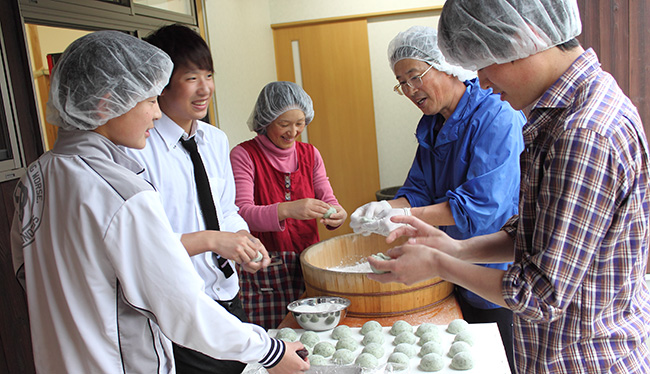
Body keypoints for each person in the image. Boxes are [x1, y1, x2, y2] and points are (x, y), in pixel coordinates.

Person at [369, 1, 650, 373]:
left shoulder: (583, 133)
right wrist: (456, 247)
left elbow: (540, 293)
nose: (481, 80)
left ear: (523, 38)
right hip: (557, 348)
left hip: (584, 358)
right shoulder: (563, 114)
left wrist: (440, 262)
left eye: (484, 65)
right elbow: (537, 232)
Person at [10, 30, 309, 374]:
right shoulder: (122, 191)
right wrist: (269, 351)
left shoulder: (35, 179)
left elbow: (26, 272)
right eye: (150, 100)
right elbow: (179, 303)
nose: (156, 113)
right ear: (109, 103)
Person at [349, 25, 525, 370]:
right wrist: (385, 209)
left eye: (415, 76)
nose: (411, 90)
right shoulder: (433, 125)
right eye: (402, 83)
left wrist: (405, 218)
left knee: (499, 361)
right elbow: (417, 193)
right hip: (448, 268)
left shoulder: (495, 116)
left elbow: (481, 207)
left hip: (494, 270)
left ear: (446, 65)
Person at [123, 24, 266, 374]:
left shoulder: (215, 140)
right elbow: (143, 245)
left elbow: (225, 209)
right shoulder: (139, 149)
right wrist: (213, 241)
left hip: (227, 292)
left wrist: (244, 241)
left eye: (209, 75)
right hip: (182, 305)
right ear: (161, 83)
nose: (205, 89)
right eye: (191, 77)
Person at [230, 81, 347, 329]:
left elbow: (328, 196)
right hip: (263, 266)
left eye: (300, 123)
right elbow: (241, 212)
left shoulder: (310, 154)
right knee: (274, 338)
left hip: (309, 263)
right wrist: (288, 209)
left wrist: (338, 213)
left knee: (311, 336)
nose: (293, 132)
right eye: (284, 124)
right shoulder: (244, 155)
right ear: (265, 120)